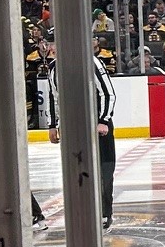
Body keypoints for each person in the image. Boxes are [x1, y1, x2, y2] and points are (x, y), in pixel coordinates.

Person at [49, 35, 118, 227]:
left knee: (103, 169)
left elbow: (107, 93)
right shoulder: (54, 68)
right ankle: (81, 209)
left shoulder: (92, 63)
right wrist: (52, 124)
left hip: (96, 126)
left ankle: (104, 211)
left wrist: (103, 120)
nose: (51, 47)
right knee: (75, 170)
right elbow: (54, 97)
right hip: (71, 128)